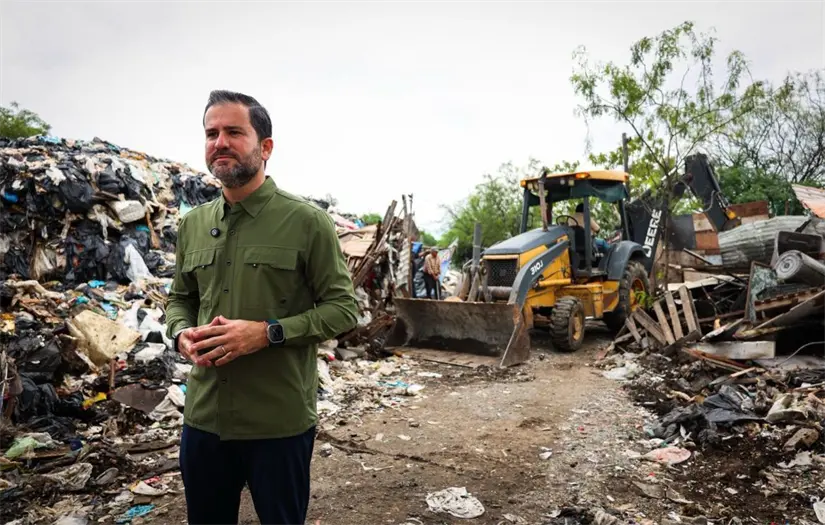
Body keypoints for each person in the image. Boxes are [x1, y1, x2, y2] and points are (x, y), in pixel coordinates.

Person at [165, 90, 359, 525]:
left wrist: (267, 332)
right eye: (211, 133)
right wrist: (180, 333)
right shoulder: (193, 224)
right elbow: (180, 298)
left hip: (278, 425)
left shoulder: (307, 222)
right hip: (204, 419)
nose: (220, 142)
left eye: (234, 131)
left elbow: (344, 308)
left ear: (265, 147)